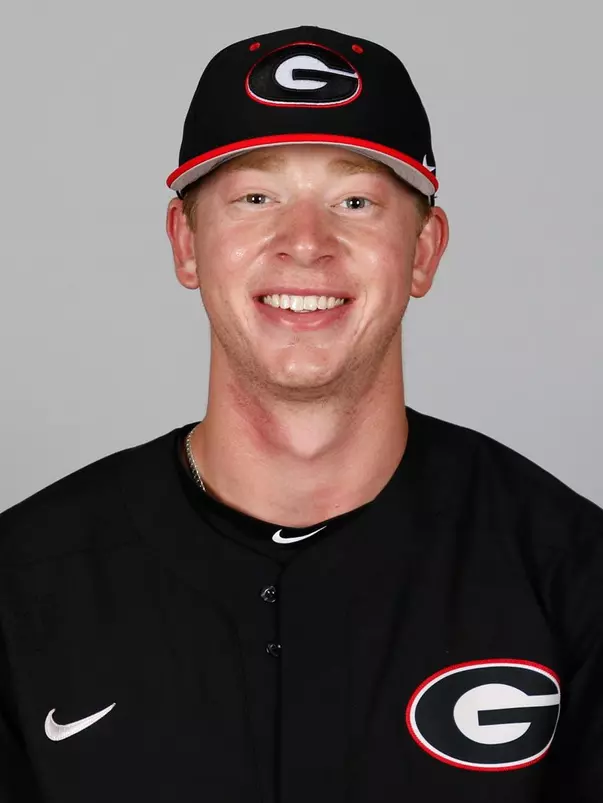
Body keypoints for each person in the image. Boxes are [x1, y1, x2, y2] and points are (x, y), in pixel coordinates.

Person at [0, 24, 601, 803]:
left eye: (355, 200)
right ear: (186, 243)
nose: (305, 244)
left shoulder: (569, 579)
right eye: (256, 197)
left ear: (422, 251)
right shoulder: (25, 586)